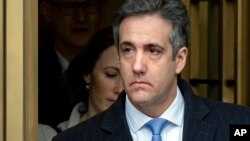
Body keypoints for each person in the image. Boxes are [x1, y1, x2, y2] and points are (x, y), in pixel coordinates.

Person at [52, 0, 250, 141]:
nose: (137, 66)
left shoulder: (240, 125)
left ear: (180, 59)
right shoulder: (76, 138)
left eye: (153, 50)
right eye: (128, 50)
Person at [38, 0, 106, 130]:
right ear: (47, 11)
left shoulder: (127, 65)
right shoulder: (31, 70)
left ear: (103, 10)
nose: (81, 17)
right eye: (68, 6)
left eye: (89, 5)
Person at [57, 26, 123, 131]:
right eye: (111, 74)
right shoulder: (47, 136)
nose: (120, 89)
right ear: (88, 74)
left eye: (129, 78)